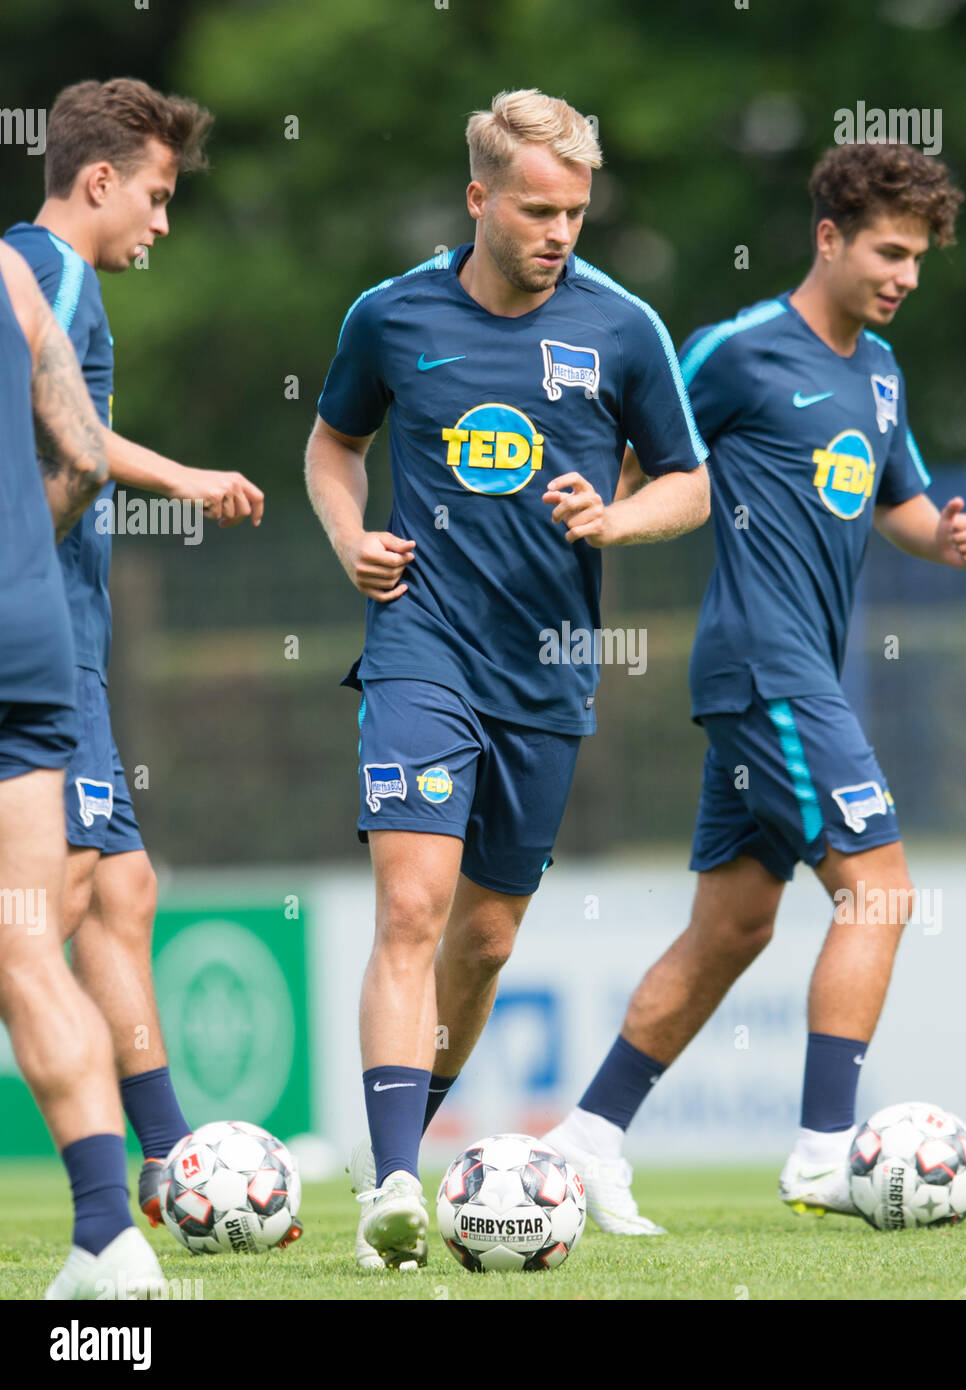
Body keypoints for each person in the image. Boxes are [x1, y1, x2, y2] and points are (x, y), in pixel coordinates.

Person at [544, 142, 966, 1232]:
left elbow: (900, 505)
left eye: (919, 258)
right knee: (878, 891)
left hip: (784, 677)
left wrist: (951, 535)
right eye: (890, 250)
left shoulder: (879, 371)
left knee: (731, 928)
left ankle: (585, 1138)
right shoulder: (735, 351)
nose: (906, 275)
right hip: (764, 665)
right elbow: (645, 461)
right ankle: (824, 1154)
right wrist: (596, 511)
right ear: (827, 236)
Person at [306, 88, 710, 1270]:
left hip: (549, 671)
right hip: (419, 645)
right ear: (477, 197)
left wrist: (617, 520)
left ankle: (403, 1137)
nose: (559, 232)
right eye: (537, 208)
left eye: (576, 211)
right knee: (412, 910)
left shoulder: (623, 328)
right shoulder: (388, 317)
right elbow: (335, 442)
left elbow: (687, 482)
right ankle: (390, 1181)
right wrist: (348, 539)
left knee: (480, 941)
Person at [3, 78, 269, 1229]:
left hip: (67, 637)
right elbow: (69, 442)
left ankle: (167, 1160)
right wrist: (189, 475)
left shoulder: (42, 271)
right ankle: (129, 1184)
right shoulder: (45, 268)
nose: (163, 224)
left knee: (122, 887)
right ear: (99, 181)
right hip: (42, 641)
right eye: (157, 199)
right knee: (46, 908)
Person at [0, 238, 167, 1298]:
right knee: (25, 941)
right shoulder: (11, 276)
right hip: (27, 631)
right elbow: (85, 453)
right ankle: (109, 1238)